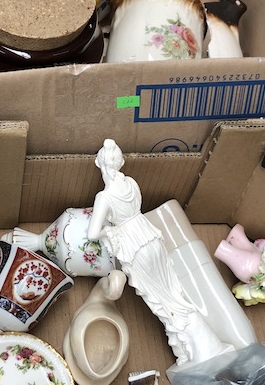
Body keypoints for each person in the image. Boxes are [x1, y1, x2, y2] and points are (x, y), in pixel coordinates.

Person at [87, 138, 228, 366]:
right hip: (151, 238)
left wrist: (107, 232)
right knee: (175, 295)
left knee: (163, 303)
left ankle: (202, 352)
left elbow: (92, 234)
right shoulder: (131, 183)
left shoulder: (104, 197)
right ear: (121, 161)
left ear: (98, 163)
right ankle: (190, 351)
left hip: (134, 248)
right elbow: (137, 210)